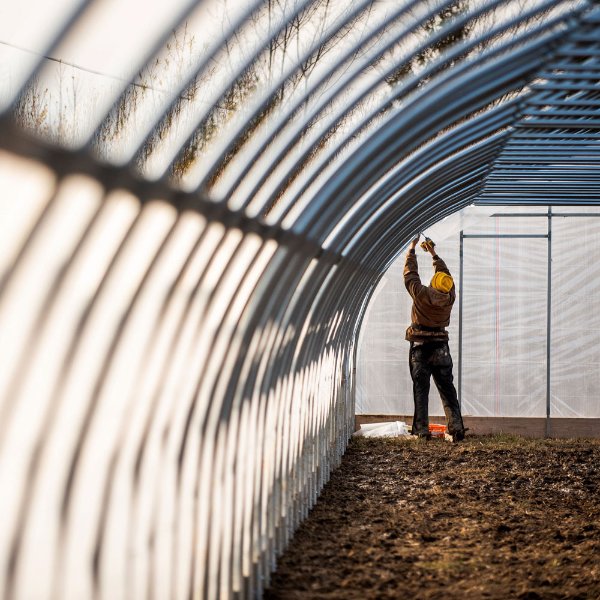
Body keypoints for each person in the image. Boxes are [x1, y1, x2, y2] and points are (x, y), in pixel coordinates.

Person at [404, 234, 466, 442]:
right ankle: (456, 428)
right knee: (447, 389)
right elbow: (446, 275)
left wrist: (412, 248)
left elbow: (410, 275)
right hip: (441, 348)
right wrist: (433, 253)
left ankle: (422, 431)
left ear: (432, 283)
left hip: (420, 347)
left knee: (421, 391)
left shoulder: (421, 294)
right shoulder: (449, 297)